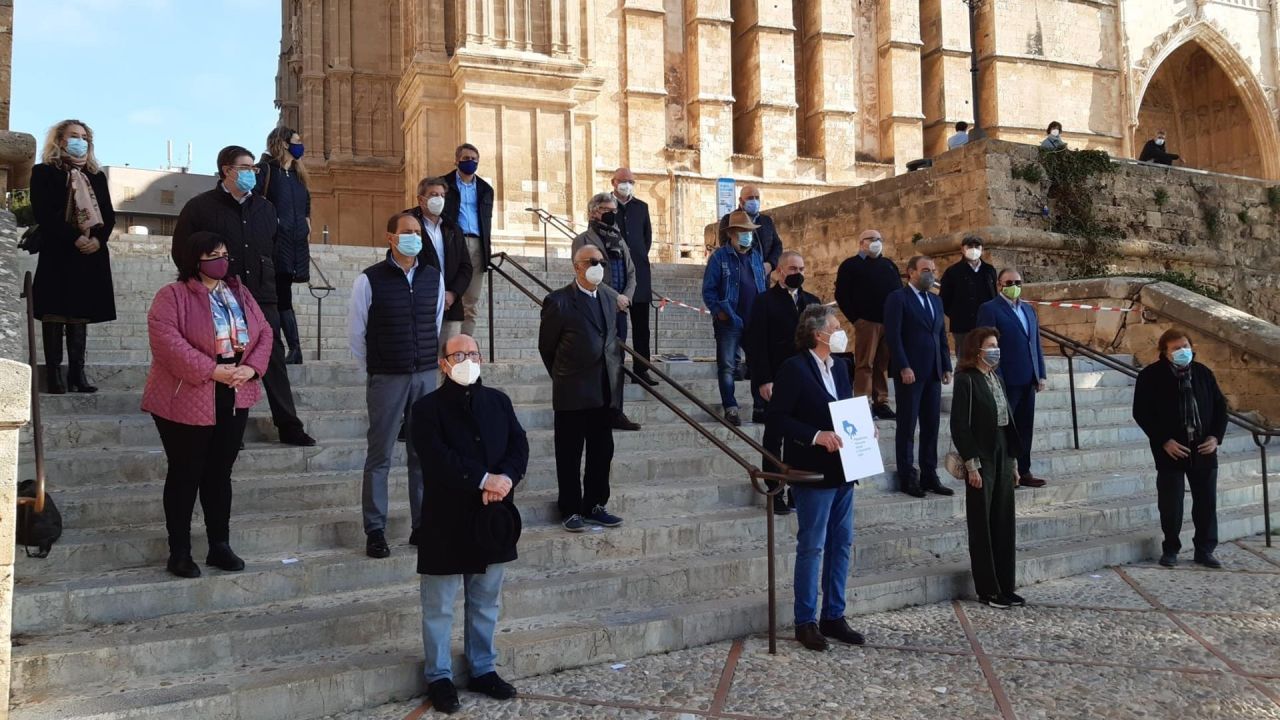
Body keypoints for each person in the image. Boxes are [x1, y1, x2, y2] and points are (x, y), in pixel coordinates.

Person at [141, 231, 272, 578]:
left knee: (219, 473)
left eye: (225, 254)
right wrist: (211, 370)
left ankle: (219, 544)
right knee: (185, 473)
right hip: (186, 395)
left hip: (234, 391)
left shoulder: (239, 293)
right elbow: (167, 343)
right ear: (194, 259)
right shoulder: (172, 296)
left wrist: (251, 368)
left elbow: (264, 333)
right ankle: (180, 551)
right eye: (213, 255)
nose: (221, 261)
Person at [411, 333, 527, 714]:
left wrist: (506, 478)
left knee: (485, 601)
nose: (467, 360)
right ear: (443, 364)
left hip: (490, 520)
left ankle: (483, 668)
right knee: (439, 606)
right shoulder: (427, 408)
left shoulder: (498, 401)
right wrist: (483, 479)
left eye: (473, 353)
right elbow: (436, 457)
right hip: (445, 521)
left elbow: (518, 444)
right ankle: (439, 676)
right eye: (459, 354)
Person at [173, 145, 317, 447]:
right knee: (227, 361)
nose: (252, 173)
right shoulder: (200, 207)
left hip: (262, 296)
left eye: (254, 168)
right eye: (246, 168)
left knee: (272, 358)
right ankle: (229, 428)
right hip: (220, 297)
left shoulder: (265, 209)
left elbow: (275, 249)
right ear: (227, 170)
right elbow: (182, 252)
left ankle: (288, 424)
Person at [767, 305, 866, 652]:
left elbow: (845, 409)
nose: (840, 332)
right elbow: (777, 418)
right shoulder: (793, 368)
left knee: (842, 543)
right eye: (835, 327)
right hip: (812, 470)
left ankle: (834, 615)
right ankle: (805, 620)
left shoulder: (840, 366)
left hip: (844, 469)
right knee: (812, 546)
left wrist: (864, 430)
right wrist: (814, 436)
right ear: (817, 333)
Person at [348, 212, 445, 558]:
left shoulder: (433, 277)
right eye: (407, 232)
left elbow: (435, 324)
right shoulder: (369, 280)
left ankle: (424, 525)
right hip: (387, 376)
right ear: (391, 238)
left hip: (424, 376)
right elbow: (356, 333)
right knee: (380, 454)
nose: (414, 237)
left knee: (423, 453)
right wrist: (377, 368)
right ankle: (375, 529)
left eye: (418, 232)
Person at [539, 244, 626, 533]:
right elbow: (547, 348)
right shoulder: (559, 301)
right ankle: (571, 508)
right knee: (569, 454)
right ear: (577, 266)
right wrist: (563, 377)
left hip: (603, 391)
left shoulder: (607, 299)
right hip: (572, 391)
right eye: (592, 261)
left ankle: (595, 504)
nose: (598, 266)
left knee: (602, 452)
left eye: (601, 262)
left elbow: (611, 341)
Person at [30, 118, 116, 395]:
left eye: (84, 137)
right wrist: (74, 237)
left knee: (80, 314)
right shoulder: (44, 172)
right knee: (54, 314)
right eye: (74, 136)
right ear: (60, 140)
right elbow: (43, 212)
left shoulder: (96, 176)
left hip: (89, 255)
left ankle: (77, 373)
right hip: (58, 251)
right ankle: (54, 373)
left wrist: (97, 240)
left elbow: (108, 214)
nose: (80, 141)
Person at [1132, 329, 1228, 569]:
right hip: (1171, 449)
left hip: (1203, 447)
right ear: (1165, 352)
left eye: (1185, 346)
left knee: (1206, 502)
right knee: (1171, 503)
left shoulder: (1203, 373)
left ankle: (1205, 549)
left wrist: (1215, 437)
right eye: (1176, 348)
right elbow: (1142, 412)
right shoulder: (1150, 376)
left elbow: (1220, 407)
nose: (1182, 351)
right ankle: (1171, 548)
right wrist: (1164, 440)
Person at [952, 328, 1024, 609]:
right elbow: (960, 425)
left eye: (997, 344)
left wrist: (1013, 463)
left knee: (1004, 520)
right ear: (977, 349)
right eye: (990, 345)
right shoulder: (966, 380)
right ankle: (988, 589)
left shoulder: (997, 378)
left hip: (1003, 452)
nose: (995, 350)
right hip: (981, 455)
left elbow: (1008, 422)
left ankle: (1006, 585)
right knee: (982, 523)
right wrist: (972, 465)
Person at [744, 250, 820, 513]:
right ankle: (775, 488)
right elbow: (756, 343)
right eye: (792, 269)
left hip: (807, 381)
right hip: (776, 379)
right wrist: (763, 380)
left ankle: (797, 488)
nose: (798, 273)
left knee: (802, 437)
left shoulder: (812, 303)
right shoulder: (764, 301)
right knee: (774, 436)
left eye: (801, 269)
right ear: (779, 271)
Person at [883, 255, 954, 498]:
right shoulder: (898, 298)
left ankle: (929, 474)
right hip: (910, 373)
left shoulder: (936, 300)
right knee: (907, 425)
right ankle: (907, 476)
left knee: (931, 425)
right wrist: (903, 366)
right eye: (925, 270)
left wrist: (946, 365)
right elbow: (893, 336)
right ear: (911, 272)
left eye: (933, 270)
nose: (930, 274)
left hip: (933, 371)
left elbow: (941, 335)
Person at [572, 192, 640, 431]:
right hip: (596, 307)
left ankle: (615, 411)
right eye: (607, 210)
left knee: (617, 362)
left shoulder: (619, 239)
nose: (612, 214)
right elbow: (587, 275)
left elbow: (631, 272)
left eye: (614, 210)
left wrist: (626, 297)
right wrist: (615, 297)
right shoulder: (583, 240)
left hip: (620, 309)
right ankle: (593, 410)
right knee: (595, 360)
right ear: (594, 211)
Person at [976, 269, 1048, 488]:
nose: (1014, 286)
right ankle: (1006, 473)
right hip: (1005, 378)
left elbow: (1035, 343)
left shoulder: (1028, 309)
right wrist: (994, 376)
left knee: (1025, 428)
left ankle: (1024, 471)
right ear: (999, 285)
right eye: (1009, 282)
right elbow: (985, 344)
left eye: (1018, 282)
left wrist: (1041, 373)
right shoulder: (990, 309)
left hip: (1028, 379)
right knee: (1005, 429)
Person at [702, 210, 767, 427]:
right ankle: (730, 407)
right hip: (729, 319)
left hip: (755, 320)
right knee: (728, 366)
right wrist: (718, 311)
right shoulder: (719, 257)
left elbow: (762, 285)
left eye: (749, 231)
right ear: (731, 234)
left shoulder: (756, 256)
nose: (747, 235)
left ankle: (760, 407)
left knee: (758, 365)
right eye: (742, 231)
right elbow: (708, 290)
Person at [253, 126, 311, 365]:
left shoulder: (298, 175)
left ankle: (293, 349)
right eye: (297, 141)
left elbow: (306, 206)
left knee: (284, 295)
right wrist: (272, 223)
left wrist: (307, 225)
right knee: (276, 297)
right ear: (285, 143)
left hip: (295, 245)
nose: (300, 145)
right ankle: (281, 349)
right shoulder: (266, 170)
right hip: (273, 244)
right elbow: (253, 200)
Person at [834, 230, 901, 420]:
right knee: (865, 364)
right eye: (872, 239)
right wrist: (856, 319)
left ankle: (881, 402)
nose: (876, 242)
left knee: (882, 364)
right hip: (867, 322)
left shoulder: (889, 265)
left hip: (888, 322)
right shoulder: (850, 265)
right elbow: (842, 295)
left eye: (879, 239)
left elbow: (898, 291)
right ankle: (862, 403)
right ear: (861, 242)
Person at [406, 176, 473, 345]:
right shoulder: (407, 224)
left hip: (450, 308)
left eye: (442, 195)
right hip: (419, 306)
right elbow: (405, 263)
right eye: (434, 195)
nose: (439, 199)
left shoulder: (453, 228)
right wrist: (430, 295)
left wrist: (453, 294)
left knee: (449, 356)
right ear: (421, 199)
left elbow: (465, 266)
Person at [441, 143, 494, 342]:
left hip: (478, 244)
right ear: (456, 160)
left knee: (471, 301)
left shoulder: (485, 189)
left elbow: (487, 221)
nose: (470, 162)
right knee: (450, 296)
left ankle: (464, 346)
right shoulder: (444, 184)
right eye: (465, 158)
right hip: (454, 243)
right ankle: (447, 344)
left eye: (473, 159)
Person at [611, 167, 658, 387]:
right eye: (623, 181)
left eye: (631, 181)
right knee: (615, 327)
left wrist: (635, 256)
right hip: (615, 275)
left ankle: (641, 370)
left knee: (642, 328)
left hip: (639, 275)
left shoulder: (641, 207)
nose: (627, 185)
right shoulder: (605, 205)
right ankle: (614, 369)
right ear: (613, 182)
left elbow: (646, 238)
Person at [940, 236, 997, 352]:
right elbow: (944, 299)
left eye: (977, 246)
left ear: (982, 249)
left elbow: (994, 294)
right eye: (970, 246)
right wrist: (957, 315)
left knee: (988, 356)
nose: (973, 249)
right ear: (962, 249)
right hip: (962, 327)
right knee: (964, 357)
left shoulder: (989, 270)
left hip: (986, 325)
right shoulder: (953, 272)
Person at [717, 184, 783, 276]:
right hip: (739, 275)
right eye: (750, 198)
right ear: (741, 200)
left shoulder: (766, 221)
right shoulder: (729, 220)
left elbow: (777, 245)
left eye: (757, 198)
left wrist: (770, 264)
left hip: (763, 276)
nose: (754, 201)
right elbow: (725, 245)